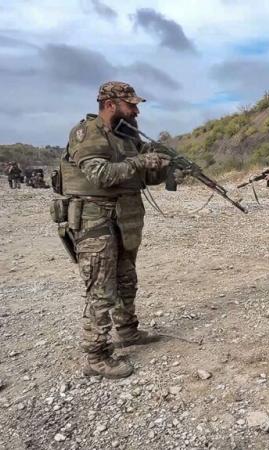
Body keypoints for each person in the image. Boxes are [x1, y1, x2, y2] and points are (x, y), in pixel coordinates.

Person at [60, 81, 170, 378]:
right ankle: (96, 356)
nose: (136, 111)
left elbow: (142, 178)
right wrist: (140, 160)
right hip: (94, 220)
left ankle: (127, 331)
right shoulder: (88, 133)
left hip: (123, 217)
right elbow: (100, 175)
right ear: (111, 104)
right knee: (101, 288)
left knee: (126, 279)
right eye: (131, 105)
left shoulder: (126, 135)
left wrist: (161, 166)